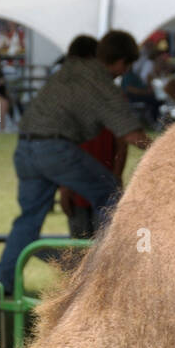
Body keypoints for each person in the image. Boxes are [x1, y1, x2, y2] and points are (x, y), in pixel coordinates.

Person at [0, 29, 151, 295]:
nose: (122, 73)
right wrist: (167, 149)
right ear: (122, 62)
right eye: (125, 67)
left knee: (28, 221)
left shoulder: (73, 67)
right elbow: (131, 135)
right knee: (110, 195)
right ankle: (112, 279)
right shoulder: (102, 82)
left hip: (25, 146)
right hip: (54, 147)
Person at [54, 37, 126, 239]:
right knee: (79, 251)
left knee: (105, 251)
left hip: (104, 186)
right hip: (77, 188)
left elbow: (122, 145)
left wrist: (116, 177)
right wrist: (65, 187)